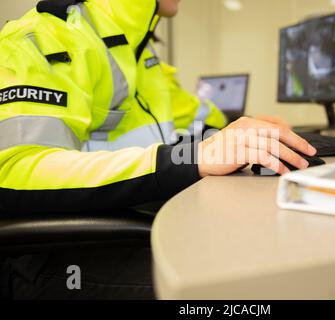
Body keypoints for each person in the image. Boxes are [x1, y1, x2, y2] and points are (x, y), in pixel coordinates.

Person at [0, 0, 316, 299]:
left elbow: (196, 119)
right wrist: (193, 157)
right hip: (60, 255)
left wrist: (243, 129)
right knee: (248, 289)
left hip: (141, 223)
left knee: (272, 252)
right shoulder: (43, 36)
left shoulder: (139, 52)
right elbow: (14, 169)